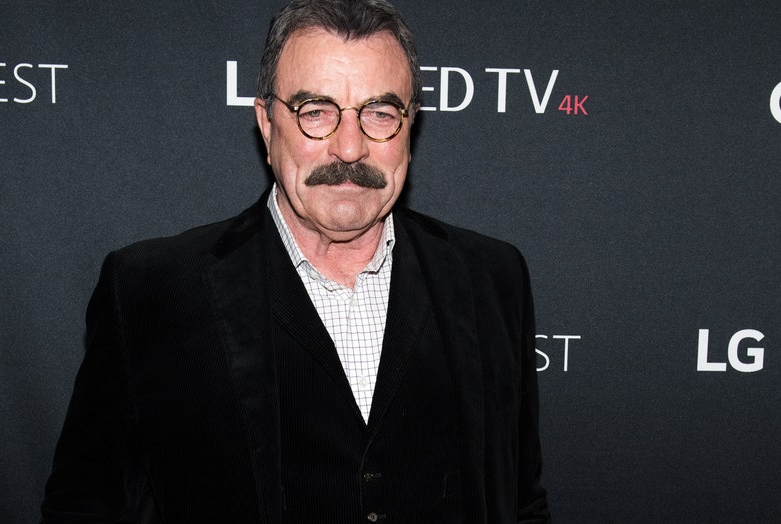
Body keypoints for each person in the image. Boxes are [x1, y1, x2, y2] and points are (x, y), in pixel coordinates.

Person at [41, 0, 550, 522]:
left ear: (409, 127)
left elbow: (521, 499)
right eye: (316, 113)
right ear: (266, 124)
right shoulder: (151, 291)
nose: (349, 147)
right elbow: (85, 507)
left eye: (379, 113)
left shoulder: (492, 279)